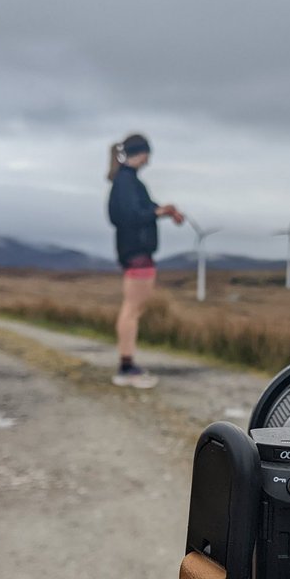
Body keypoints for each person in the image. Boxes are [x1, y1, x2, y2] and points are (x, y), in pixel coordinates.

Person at [106, 133, 184, 388]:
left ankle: (127, 364)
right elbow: (130, 215)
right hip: (137, 252)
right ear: (141, 153)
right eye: (148, 153)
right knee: (132, 309)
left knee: (133, 308)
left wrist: (162, 211)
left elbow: (143, 209)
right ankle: (126, 367)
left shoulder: (127, 181)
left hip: (134, 251)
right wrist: (159, 211)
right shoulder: (126, 182)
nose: (149, 158)